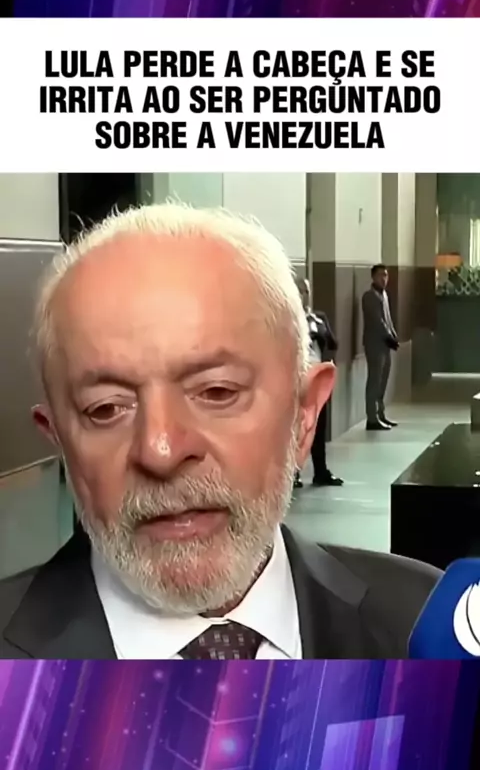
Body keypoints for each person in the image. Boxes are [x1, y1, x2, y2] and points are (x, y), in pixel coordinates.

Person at [0, 204, 440, 660]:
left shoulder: (431, 625)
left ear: (305, 414)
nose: (161, 451)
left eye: (216, 392)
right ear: (58, 438)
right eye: (106, 408)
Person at [294, 277, 343, 488]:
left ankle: (320, 471)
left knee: (319, 426)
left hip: (318, 376)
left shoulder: (318, 317)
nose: (305, 295)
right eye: (301, 291)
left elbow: (333, 342)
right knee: (298, 427)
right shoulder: (289, 318)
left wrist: (319, 331)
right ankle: (294, 472)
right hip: (299, 378)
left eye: (307, 291)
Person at [361, 264, 399, 431]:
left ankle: (380, 413)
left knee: (383, 381)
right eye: (380, 275)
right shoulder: (369, 297)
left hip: (385, 344)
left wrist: (394, 334)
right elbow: (377, 321)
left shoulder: (384, 295)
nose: (384, 279)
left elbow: (388, 319)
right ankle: (372, 418)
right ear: (373, 277)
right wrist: (388, 336)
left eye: (386, 275)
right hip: (375, 344)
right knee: (374, 381)